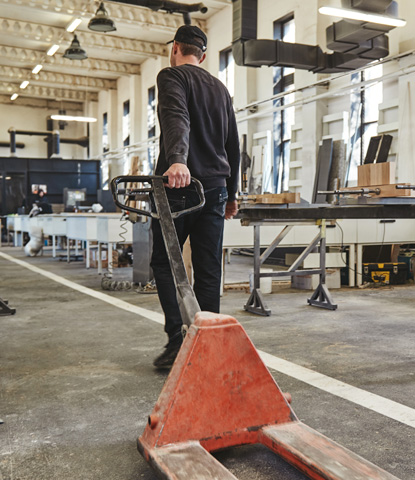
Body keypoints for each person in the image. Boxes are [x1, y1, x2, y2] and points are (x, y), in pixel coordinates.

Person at [151, 25, 240, 368]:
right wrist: (233, 194)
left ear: (175, 48)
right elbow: (233, 144)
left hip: (180, 187)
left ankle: (178, 340)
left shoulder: (171, 76)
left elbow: (177, 118)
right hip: (216, 188)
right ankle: (208, 344)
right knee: (207, 268)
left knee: (165, 262)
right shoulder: (220, 88)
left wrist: (177, 160)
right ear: (202, 56)